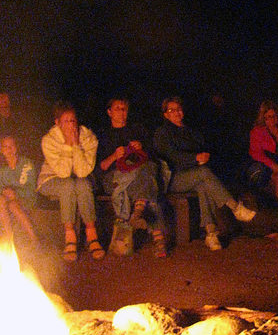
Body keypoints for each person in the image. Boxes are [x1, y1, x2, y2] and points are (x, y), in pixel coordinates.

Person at [153, 96, 256, 251]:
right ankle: (235, 207)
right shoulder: (163, 132)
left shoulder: (191, 132)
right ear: (165, 114)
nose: (176, 112)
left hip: (196, 175)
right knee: (203, 173)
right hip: (173, 178)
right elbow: (171, 155)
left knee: (203, 185)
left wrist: (203, 157)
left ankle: (210, 233)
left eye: (178, 109)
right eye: (171, 110)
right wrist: (194, 158)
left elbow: (204, 149)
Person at [97, 98, 166, 257]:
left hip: (138, 176)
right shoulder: (103, 135)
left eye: (124, 109)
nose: (121, 112)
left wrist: (141, 147)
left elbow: (153, 159)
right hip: (114, 179)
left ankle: (139, 209)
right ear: (109, 112)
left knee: (148, 171)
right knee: (149, 186)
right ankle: (158, 237)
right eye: (117, 108)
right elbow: (101, 167)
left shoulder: (137, 130)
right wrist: (114, 156)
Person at [37, 101, 105, 261]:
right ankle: (70, 237)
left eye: (73, 120)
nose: (70, 124)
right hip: (51, 179)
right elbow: (63, 172)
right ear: (57, 123)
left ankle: (91, 235)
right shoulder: (49, 140)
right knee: (67, 184)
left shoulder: (88, 138)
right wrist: (68, 146)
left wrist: (75, 145)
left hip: (79, 179)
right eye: (65, 121)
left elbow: (82, 172)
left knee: (81, 184)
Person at [0, 135, 37, 241]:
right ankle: (9, 237)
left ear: (16, 147)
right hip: (8, 198)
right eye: (5, 147)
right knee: (1, 200)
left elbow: (32, 187)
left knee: (13, 205)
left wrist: (17, 194)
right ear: (2, 150)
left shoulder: (26, 164)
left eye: (12, 145)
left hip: (27, 197)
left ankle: (34, 238)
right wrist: (4, 191)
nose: (9, 149)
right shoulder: (2, 168)